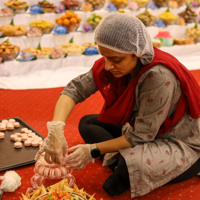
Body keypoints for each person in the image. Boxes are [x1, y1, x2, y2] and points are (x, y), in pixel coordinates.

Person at [35, 13, 200, 198]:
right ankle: (123, 160)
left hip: (178, 140)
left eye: (115, 59)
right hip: (143, 130)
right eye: (104, 57)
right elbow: (75, 89)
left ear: (136, 53)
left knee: (126, 169)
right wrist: (56, 130)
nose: (107, 66)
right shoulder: (116, 63)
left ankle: (128, 163)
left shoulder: (158, 75)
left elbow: (142, 135)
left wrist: (92, 150)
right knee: (88, 123)